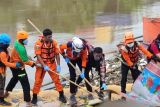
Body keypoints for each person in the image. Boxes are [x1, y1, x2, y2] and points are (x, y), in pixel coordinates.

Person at [31, 28, 66, 104]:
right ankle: (34, 97)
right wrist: (44, 65)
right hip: (41, 64)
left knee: (56, 79)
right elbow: (38, 55)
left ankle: (61, 95)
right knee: (37, 81)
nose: (50, 38)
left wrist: (58, 65)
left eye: (51, 36)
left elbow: (57, 54)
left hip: (51, 63)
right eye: (48, 37)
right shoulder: (38, 43)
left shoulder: (54, 43)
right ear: (44, 36)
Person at [5, 31, 35, 106]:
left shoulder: (17, 42)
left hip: (13, 65)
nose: (27, 40)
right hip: (19, 67)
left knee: (15, 78)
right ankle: (28, 102)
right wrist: (34, 64)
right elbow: (25, 61)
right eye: (25, 39)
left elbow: (22, 55)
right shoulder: (21, 48)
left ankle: (6, 92)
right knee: (25, 83)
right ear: (21, 39)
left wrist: (27, 56)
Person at [60, 37, 88, 104]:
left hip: (78, 59)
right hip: (70, 59)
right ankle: (72, 93)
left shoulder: (83, 48)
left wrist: (83, 71)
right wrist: (64, 55)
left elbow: (84, 59)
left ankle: (76, 85)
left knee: (84, 74)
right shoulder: (68, 44)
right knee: (72, 76)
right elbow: (60, 47)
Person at [0, 33, 22, 106]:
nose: (8, 45)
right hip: (0, 72)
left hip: (2, 70)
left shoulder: (4, 49)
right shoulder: (2, 52)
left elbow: (8, 58)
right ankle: (1, 101)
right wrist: (15, 65)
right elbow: (6, 63)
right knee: (1, 86)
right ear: (2, 43)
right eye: (7, 43)